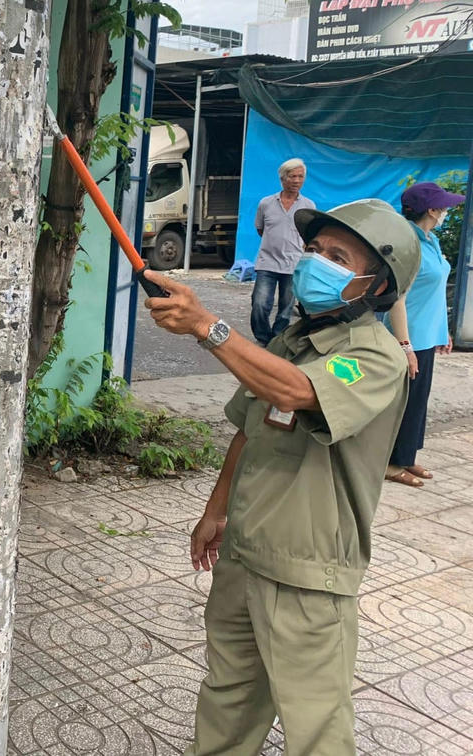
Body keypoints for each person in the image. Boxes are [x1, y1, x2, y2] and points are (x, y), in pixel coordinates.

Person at [142, 199, 420, 755]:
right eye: (315, 250)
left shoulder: (375, 355)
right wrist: (216, 511)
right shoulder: (291, 341)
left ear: (375, 286)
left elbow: (297, 392)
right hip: (245, 552)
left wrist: (206, 324)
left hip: (307, 571)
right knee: (228, 696)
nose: (316, 262)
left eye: (338, 257)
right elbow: (250, 426)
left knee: (315, 725)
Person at [383, 181, 465, 487]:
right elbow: (397, 299)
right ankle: (389, 464)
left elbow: (434, 290)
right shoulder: (409, 244)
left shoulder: (430, 240)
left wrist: (444, 332)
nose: (446, 210)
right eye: (443, 206)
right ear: (431, 210)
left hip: (427, 335)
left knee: (417, 401)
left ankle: (406, 456)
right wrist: (405, 346)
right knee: (400, 403)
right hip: (407, 336)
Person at [250, 158, 315, 346]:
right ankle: (263, 338)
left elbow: (310, 235)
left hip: (294, 264)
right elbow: (260, 229)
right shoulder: (266, 203)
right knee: (260, 304)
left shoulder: (308, 206)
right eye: (292, 176)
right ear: (282, 178)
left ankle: (277, 339)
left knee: (286, 309)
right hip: (267, 263)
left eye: (300, 176)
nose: (296, 181)